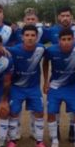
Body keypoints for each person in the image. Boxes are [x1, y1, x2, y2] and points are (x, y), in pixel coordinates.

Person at [7, 25, 50, 147]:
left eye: (32, 36)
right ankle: (12, 141)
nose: (30, 38)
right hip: (17, 87)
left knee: (39, 113)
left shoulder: (41, 49)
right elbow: (0, 53)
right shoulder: (13, 50)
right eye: (27, 35)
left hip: (33, 87)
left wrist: (46, 80)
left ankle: (39, 142)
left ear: (37, 37)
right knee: (14, 113)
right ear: (22, 37)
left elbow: (47, 61)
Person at [42, 28, 75, 147]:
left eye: (69, 39)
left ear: (73, 39)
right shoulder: (51, 50)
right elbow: (45, 63)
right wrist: (45, 81)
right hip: (55, 86)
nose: (66, 42)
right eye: (63, 39)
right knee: (51, 113)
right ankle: (55, 141)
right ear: (59, 40)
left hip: (73, 86)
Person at [15, 8, 49, 140]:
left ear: (37, 20)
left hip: (33, 78)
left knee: (36, 107)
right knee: (15, 109)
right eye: (28, 19)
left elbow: (57, 36)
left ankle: (33, 130)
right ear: (24, 20)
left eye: (32, 19)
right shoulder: (15, 31)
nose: (30, 21)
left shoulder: (43, 35)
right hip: (17, 77)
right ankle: (16, 131)